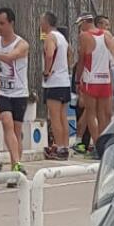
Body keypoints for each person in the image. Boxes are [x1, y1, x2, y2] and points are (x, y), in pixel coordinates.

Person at [0, 5, 29, 172]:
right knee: (7, 122)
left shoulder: (22, 44)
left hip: (19, 93)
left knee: (16, 130)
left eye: (2, 23)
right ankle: (15, 163)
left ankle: (16, 166)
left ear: (11, 23)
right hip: (3, 92)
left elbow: (9, 58)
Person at [75, 13, 112, 154]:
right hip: (105, 79)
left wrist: (78, 81)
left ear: (85, 23)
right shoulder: (107, 34)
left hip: (91, 79)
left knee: (91, 114)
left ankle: (97, 145)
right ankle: (103, 145)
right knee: (103, 115)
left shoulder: (85, 36)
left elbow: (82, 60)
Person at [40, 12, 71, 158]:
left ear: (47, 22)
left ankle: (59, 147)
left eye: (41, 21)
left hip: (54, 82)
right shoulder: (62, 38)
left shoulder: (50, 37)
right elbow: (69, 54)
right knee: (63, 116)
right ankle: (64, 146)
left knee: (54, 117)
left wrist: (47, 71)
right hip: (64, 81)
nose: (40, 24)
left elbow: (49, 54)